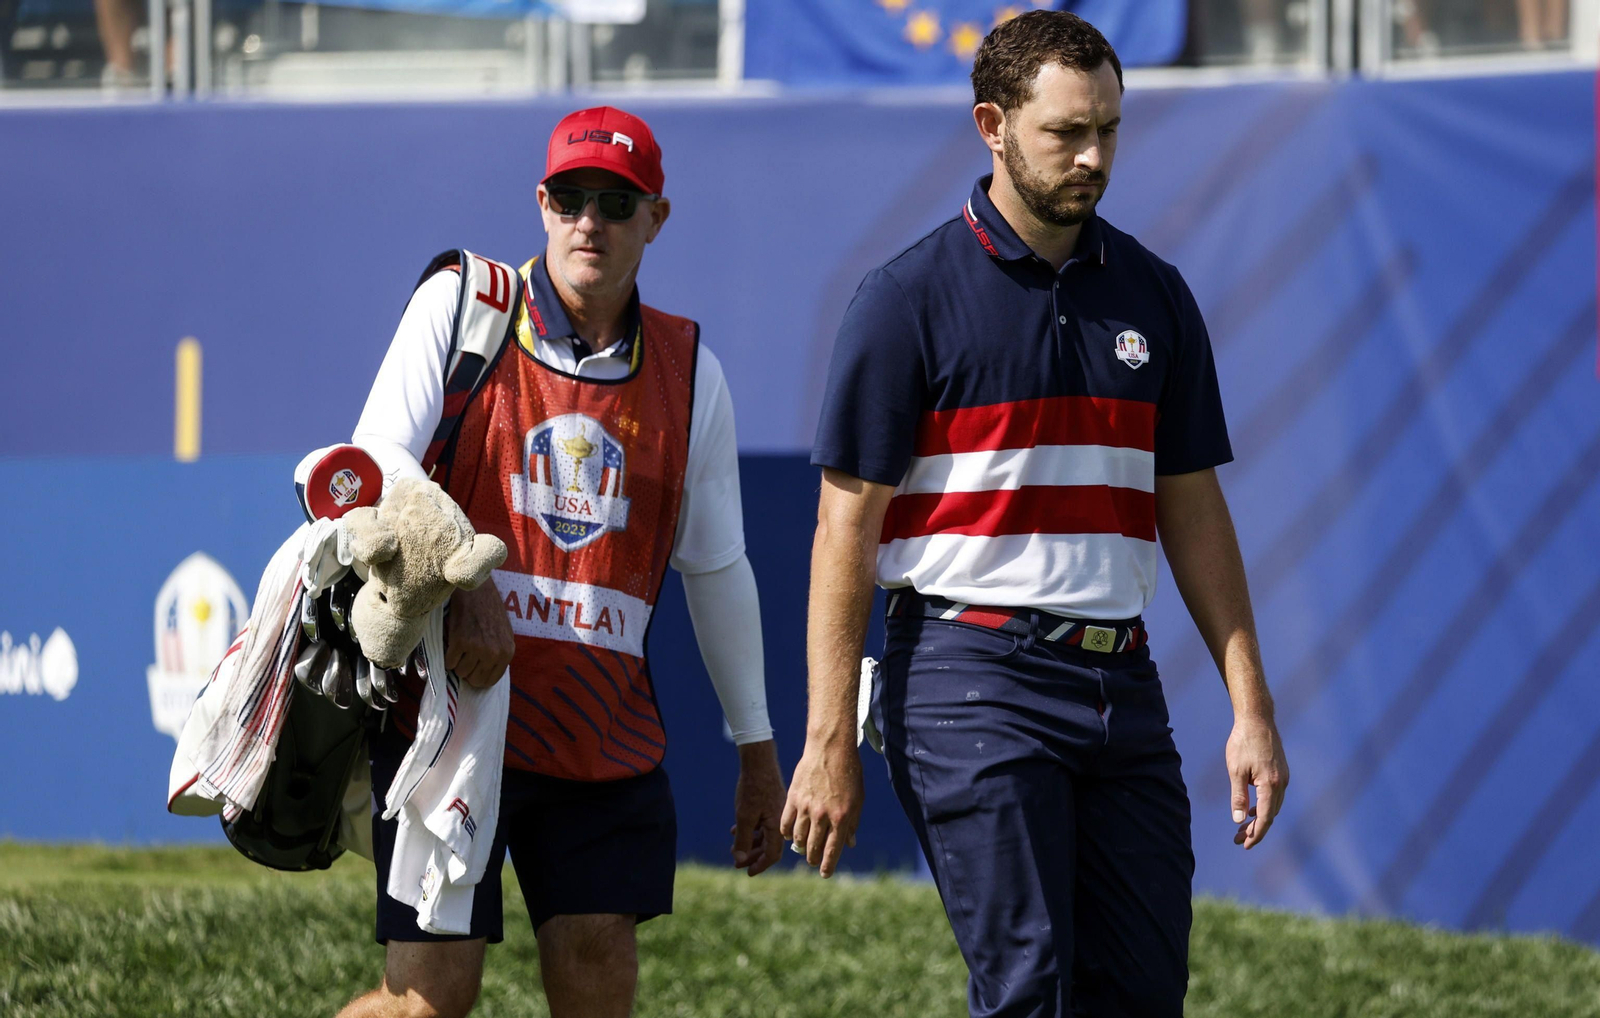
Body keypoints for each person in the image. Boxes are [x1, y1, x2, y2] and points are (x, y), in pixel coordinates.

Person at [782, 11, 1289, 1017]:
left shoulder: (1156, 294)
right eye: (1066, 131)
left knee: (1143, 992)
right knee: (1029, 990)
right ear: (992, 124)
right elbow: (845, 526)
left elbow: (1189, 505)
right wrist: (826, 736)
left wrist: (1250, 709)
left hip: (1123, 682)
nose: (1093, 155)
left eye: (1108, 126)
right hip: (969, 676)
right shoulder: (904, 297)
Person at [338, 105, 787, 1018]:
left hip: (599, 739)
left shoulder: (690, 367)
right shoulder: (465, 304)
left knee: (596, 984)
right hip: (451, 718)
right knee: (429, 1004)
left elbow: (718, 566)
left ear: (656, 218)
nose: (591, 222)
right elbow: (374, 465)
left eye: (616, 203)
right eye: (573, 198)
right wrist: (464, 578)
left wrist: (756, 747)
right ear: (542, 205)